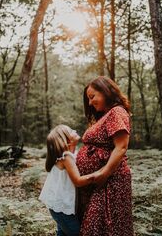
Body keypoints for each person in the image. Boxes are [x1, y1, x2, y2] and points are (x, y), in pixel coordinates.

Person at [76, 76, 134, 236]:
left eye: (92, 97)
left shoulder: (117, 111)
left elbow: (121, 147)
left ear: (106, 91)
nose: (89, 103)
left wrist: (104, 172)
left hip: (110, 182)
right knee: (99, 228)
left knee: (101, 227)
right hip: (101, 183)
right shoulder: (106, 116)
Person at [39, 124, 98, 236]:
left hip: (58, 206)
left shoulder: (71, 154)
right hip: (62, 209)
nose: (75, 130)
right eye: (71, 130)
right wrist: (98, 175)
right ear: (67, 141)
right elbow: (78, 181)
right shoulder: (66, 157)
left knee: (63, 233)